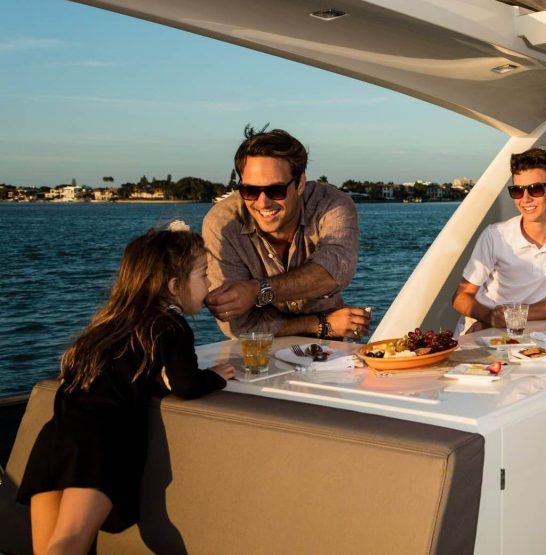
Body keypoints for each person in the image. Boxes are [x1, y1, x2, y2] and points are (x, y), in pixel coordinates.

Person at [16, 225, 234, 555]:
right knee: (70, 543)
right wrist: (216, 376)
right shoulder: (169, 325)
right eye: (203, 275)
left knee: (49, 548)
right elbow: (187, 384)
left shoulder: (109, 324)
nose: (209, 285)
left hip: (54, 440)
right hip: (98, 445)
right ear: (174, 287)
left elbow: (128, 374)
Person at [203, 127, 367, 340]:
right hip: (257, 351)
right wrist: (321, 324)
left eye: (275, 190)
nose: (262, 202)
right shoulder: (221, 223)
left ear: (300, 184)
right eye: (250, 191)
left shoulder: (332, 205)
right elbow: (237, 326)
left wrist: (255, 291)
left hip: (327, 351)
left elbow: (334, 272)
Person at [452, 148, 546, 334]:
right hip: (481, 328)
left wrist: (509, 316)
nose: (525, 199)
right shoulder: (495, 235)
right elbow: (461, 297)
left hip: (529, 329)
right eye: (517, 190)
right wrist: (490, 317)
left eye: (535, 189)